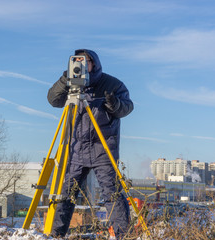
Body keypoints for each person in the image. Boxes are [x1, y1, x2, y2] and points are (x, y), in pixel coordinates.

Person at [47, 49, 133, 239]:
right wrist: (65, 80)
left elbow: (127, 107)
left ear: (95, 64)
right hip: (76, 150)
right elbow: (53, 100)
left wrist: (113, 103)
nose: (82, 65)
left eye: (86, 62)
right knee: (65, 195)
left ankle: (122, 235)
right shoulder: (69, 82)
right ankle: (55, 235)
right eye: (77, 61)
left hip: (103, 149)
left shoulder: (112, 84)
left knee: (112, 193)